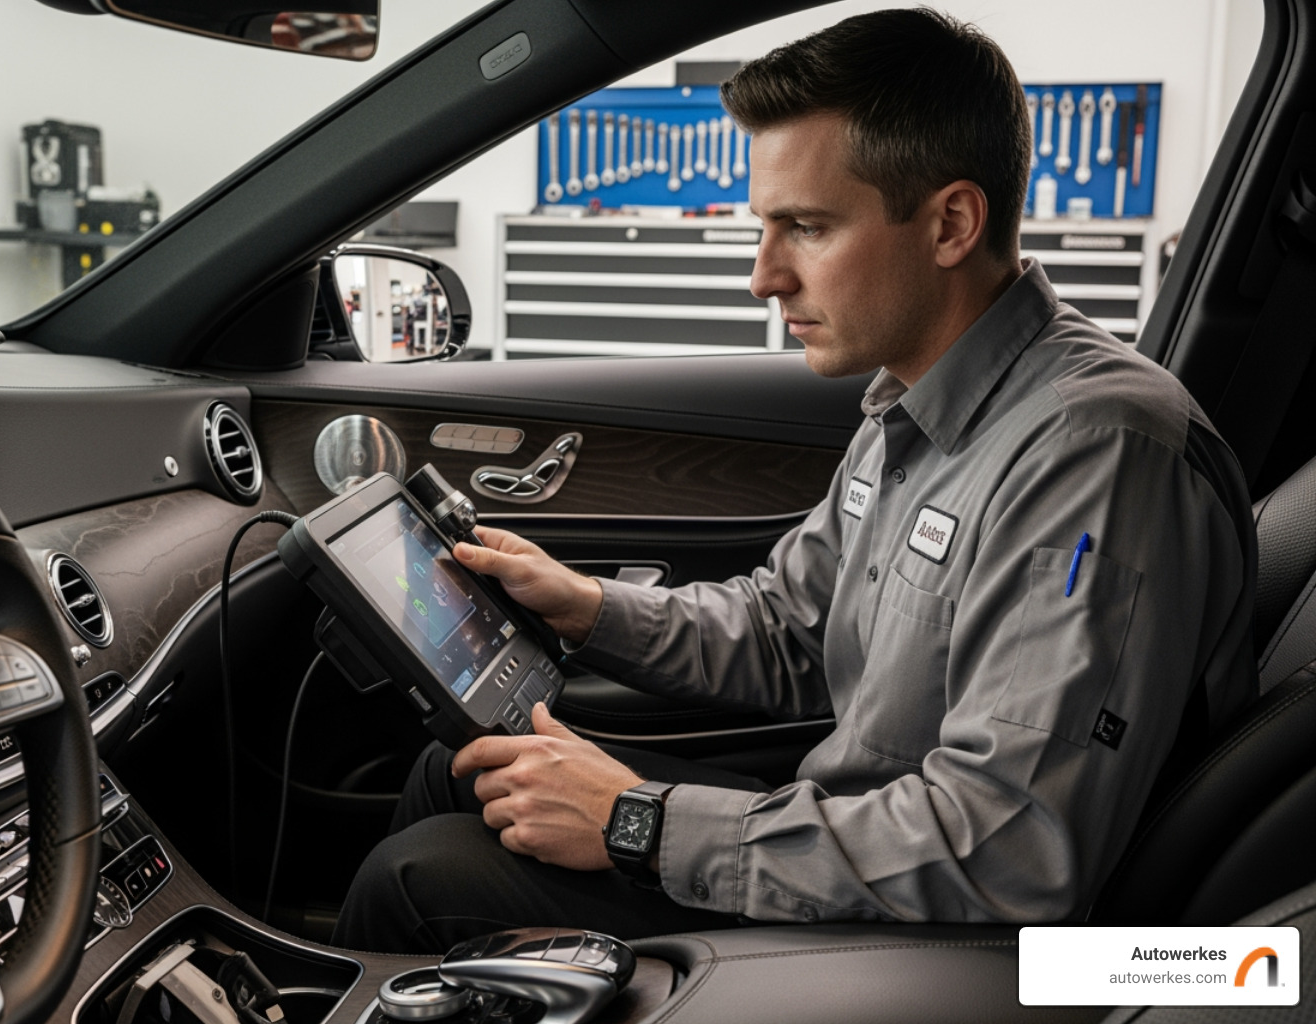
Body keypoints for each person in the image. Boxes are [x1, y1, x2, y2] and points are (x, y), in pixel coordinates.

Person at [331, 7, 1257, 954]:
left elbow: (1009, 847)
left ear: (951, 223)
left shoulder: (1096, 451)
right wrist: (583, 607)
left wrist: (636, 821)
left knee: (413, 880)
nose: (762, 276)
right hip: (862, 830)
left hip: (964, 945)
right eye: (764, 228)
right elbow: (790, 629)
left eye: (805, 228)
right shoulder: (914, 399)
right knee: (461, 771)